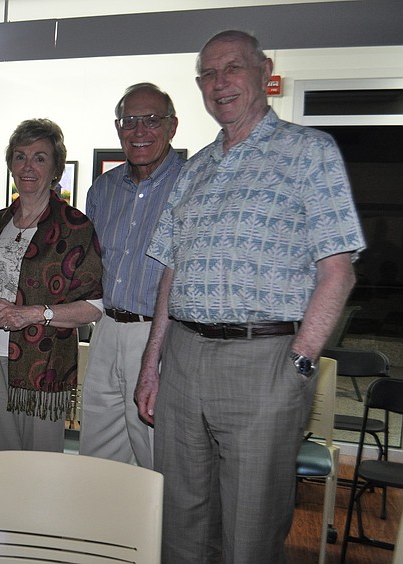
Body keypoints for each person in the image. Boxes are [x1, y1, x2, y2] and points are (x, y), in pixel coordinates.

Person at [134, 30, 365, 563]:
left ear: (265, 72)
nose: (221, 83)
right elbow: (171, 273)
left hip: (264, 360)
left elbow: (338, 272)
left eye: (232, 68)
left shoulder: (310, 152)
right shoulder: (194, 170)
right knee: (180, 522)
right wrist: (153, 366)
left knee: (250, 529)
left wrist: (299, 365)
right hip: (185, 359)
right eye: (209, 75)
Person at [0, 118, 103, 452]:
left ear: (56, 167)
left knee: (40, 459)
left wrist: (34, 314)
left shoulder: (74, 225)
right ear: (10, 165)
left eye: (39, 157)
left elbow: (94, 307)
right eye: (19, 156)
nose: (28, 166)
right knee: (2, 451)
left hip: (44, 362)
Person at [78, 83, 183, 469]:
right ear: (118, 128)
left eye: (152, 120)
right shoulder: (102, 190)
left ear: (172, 126)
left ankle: (159, 532)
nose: (139, 131)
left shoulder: (189, 185)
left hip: (161, 337)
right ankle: (106, 530)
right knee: (98, 451)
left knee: (155, 455)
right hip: (105, 329)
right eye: (129, 121)